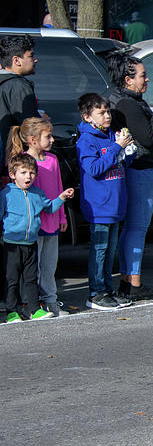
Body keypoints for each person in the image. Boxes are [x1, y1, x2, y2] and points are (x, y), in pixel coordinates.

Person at [108, 51, 153, 300]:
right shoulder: (128, 103)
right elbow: (147, 137)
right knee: (137, 228)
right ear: (127, 79)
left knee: (132, 228)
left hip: (136, 169)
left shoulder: (124, 100)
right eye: (142, 76)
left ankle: (129, 280)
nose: (147, 79)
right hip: (139, 170)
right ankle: (133, 282)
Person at [77, 93, 135, 310]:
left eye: (108, 111)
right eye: (101, 112)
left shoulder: (112, 135)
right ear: (87, 117)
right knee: (100, 249)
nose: (107, 115)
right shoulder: (86, 140)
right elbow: (93, 169)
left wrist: (128, 151)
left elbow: (120, 164)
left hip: (115, 203)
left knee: (110, 251)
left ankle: (107, 289)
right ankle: (96, 292)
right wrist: (117, 148)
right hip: (99, 204)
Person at [6, 117, 68, 316]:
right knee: (32, 270)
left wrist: (62, 216)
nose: (52, 140)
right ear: (32, 140)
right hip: (33, 225)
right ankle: (31, 303)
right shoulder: (24, 163)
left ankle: (51, 301)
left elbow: (58, 188)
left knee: (49, 265)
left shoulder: (53, 160)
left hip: (52, 221)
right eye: (48, 136)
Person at [1, 153, 74, 322]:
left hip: (31, 243)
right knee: (11, 279)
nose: (28, 176)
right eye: (23, 172)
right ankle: (11, 311)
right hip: (12, 244)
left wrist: (61, 197)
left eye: (32, 173)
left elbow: (49, 207)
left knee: (31, 278)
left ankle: (34, 309)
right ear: (13, 175)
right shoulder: (6, 194)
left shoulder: (37, 193)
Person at [0, 35, 41, 164]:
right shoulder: (18, 86)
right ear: (16, 60)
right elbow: (30, 125)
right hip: (14, 158)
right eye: (30, 56)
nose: (35, 60)